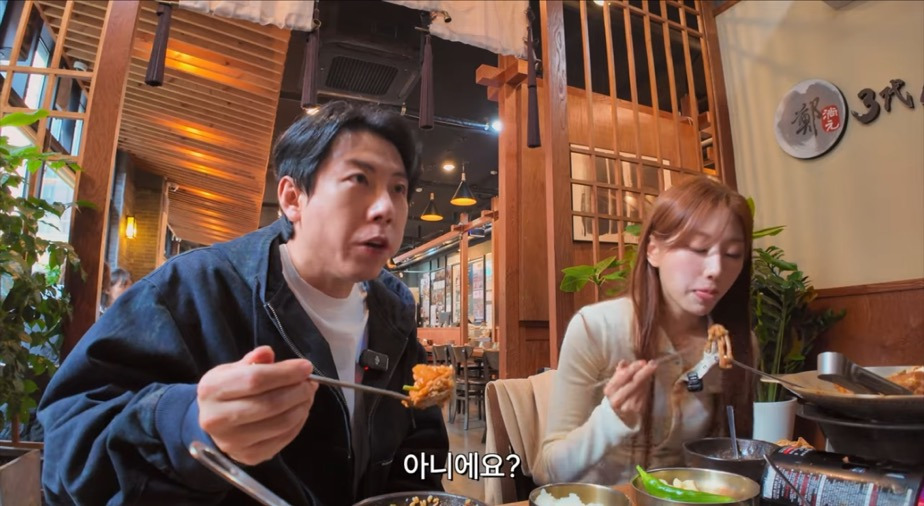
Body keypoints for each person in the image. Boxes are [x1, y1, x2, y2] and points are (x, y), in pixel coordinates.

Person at [38, 101, 449, 505]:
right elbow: (66, 452)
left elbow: (419, 441)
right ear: (292, 198)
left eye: (398, 189)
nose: (386, 208)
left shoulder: (393, 310)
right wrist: (188, 424)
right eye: (359, 179)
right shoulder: (194, 289)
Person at [533, 177, 755, 486]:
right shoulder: (596, 329)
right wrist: (610, 420)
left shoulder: (733, 346)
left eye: (732, 254)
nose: (716, 269)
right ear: (653, 250)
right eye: (699, 248)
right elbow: (546, 471)